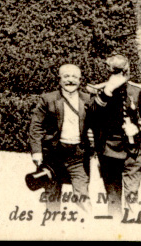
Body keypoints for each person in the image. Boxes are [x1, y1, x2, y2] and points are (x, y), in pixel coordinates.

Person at [90, 53, 141, 215]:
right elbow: (92, 117)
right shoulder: (99, 92)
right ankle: (116, 230)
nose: (119, 75)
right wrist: (107, 91)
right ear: (107, 71)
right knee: (113, 196)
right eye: (114, 71)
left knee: (132, 195)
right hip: (109, 151)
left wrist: (138, 127)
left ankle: (133, 227)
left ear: (127, 70)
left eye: (122, 71)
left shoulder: (136, 91)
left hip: (133, 152)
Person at [28, 63, 94, 207]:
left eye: (74, 77)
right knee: (52, 195)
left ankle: (90, 226)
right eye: (66, 76)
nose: (70, 80)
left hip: (78, 156)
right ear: (59, 79)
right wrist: (37, 152)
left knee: (82, 195)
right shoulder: (48, 99)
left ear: (80, 80)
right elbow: (36, 126)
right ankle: (53, 226)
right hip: (53, 154)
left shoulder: (88, 100)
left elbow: (98, 125)